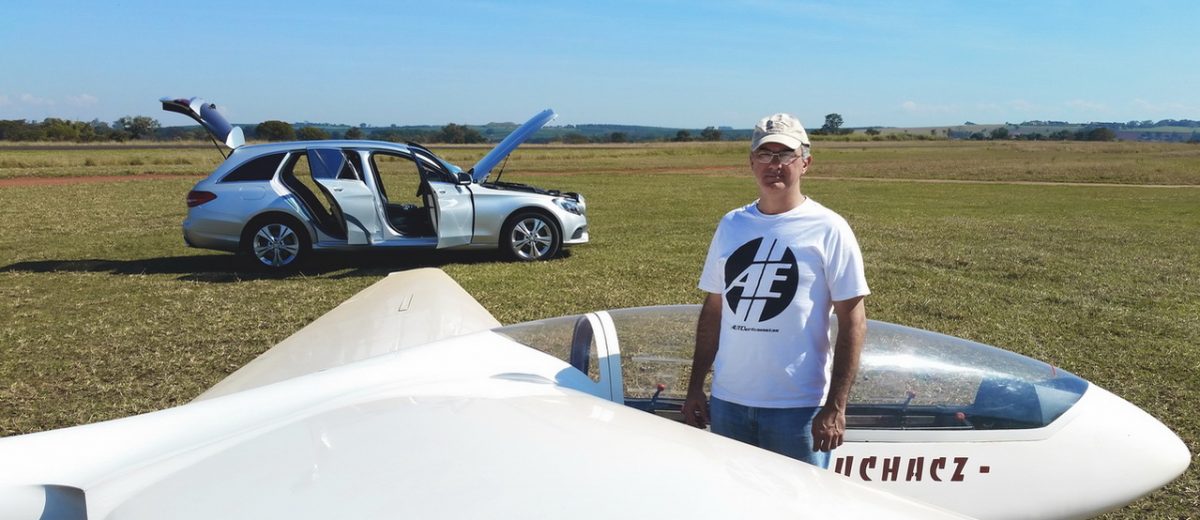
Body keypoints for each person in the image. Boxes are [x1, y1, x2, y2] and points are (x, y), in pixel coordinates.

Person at [681, 113, 869, 468]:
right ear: (751, 162)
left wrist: (836, 406)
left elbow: (853, 321)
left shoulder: (830, 228)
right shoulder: (731, 224)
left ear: (805, 163)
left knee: (800, 498)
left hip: (798, 409)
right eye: (765, 154)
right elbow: (714, 310)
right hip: (728, 403)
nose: (774, 165)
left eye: (785, 155)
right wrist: (695, 387)